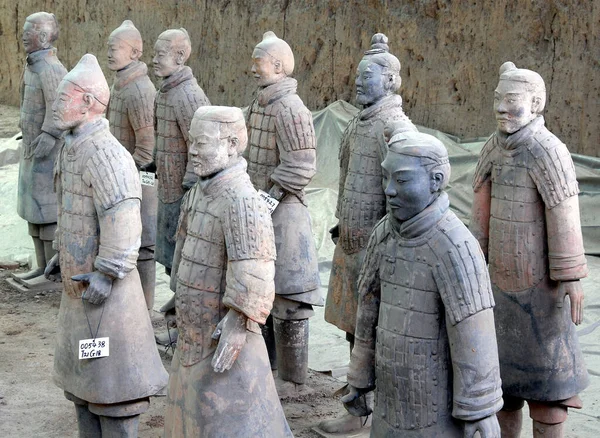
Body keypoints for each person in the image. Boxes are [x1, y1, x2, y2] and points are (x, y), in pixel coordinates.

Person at [344, 131, 503, 437]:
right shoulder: (383, 233)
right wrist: (360, 374)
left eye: (402, 180)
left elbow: (474, 331)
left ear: (436, 180)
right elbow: (367, 307)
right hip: (390, 398)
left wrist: (479, 410)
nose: (389, 190)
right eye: (386, 177)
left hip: (434, 404)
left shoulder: (455, 245)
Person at [45, 54, 168, 437]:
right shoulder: (73, 145)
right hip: (80, 286)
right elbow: (75, 212)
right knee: (85, 388)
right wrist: (61, 253)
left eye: (65, 97)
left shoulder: (106, 152)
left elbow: (123, 218)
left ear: (87, 102)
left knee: (114, 393)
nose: (56, 105)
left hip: (107, 294)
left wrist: (106, 270)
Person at [470, 62, 589, 438]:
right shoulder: (493, 146)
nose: (501, 108)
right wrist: (473, 260)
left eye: (511, 100)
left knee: (547, 389)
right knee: (502, 386)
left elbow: (563, 213)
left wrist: (570, 276)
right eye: (497, 100)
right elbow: (480, 208)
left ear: (536, 104)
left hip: (541, 289)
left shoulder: (549, 151)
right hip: (498, 285)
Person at [163, 106, 292, 437]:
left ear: (233, 144)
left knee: (233, 418)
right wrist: (180, 295)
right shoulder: (199, 192)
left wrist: (238, 322)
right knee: (192, 414)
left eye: (202, 143)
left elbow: (255, 268)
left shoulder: (242, 200)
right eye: (192, 141)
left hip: (225, 334)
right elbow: (187, 248)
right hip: (195, 330)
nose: (192, 150)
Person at [321, 32, 417, 434]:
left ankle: (363, 407)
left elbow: (405, 195)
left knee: (370, 327)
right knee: (351, 322)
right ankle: (357, 387)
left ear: (391, 81)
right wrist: (343, 220)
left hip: (377, 246)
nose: (358, 82)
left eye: (368, 75)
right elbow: (348, 178)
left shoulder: (394, 127)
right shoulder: (359, 123)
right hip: (352, 239)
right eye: (357, 75)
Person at [246, 30, 322, 392]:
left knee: (290, 297)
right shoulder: (258, 103)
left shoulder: (292, 109)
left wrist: (269, 196)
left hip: (287, 212)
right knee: (263, 290)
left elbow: (303, 164)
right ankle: (268, 366)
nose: (252, 69)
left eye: (257, 61)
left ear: (277, 66)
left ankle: (293, 379)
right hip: (261, 209)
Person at [146, 28, 210, 344]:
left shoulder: (188, 95)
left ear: (180, 57)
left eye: (160, 54)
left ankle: (185, 330)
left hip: (184, 194)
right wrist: (155, 162)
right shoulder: (167, 91)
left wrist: (191, 190)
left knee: (186, 265)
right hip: (169, 189)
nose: (153, 60)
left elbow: (201, 145)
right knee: (173, 261)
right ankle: (178, 321)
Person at [12, 12, 67, 290]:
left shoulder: (52, 68)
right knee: (31, 209)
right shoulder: (32, 65)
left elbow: (60, 108)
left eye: (28, 31)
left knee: (47, 212)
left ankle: (52, 271)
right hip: (32, 149)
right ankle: (39, 266)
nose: (23, 35)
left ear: (44, 37)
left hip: (48, 150)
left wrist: (48, 134)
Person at [106, 19, 158, 311]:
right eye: (109, 48)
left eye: (116, 48)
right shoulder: (122, 84)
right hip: (123, 177)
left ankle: (145, 310)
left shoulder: (139, 90)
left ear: (135, 53)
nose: (110, 53)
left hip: (140, 180)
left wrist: (125, 176)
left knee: (144, 249)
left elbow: (147, 148)